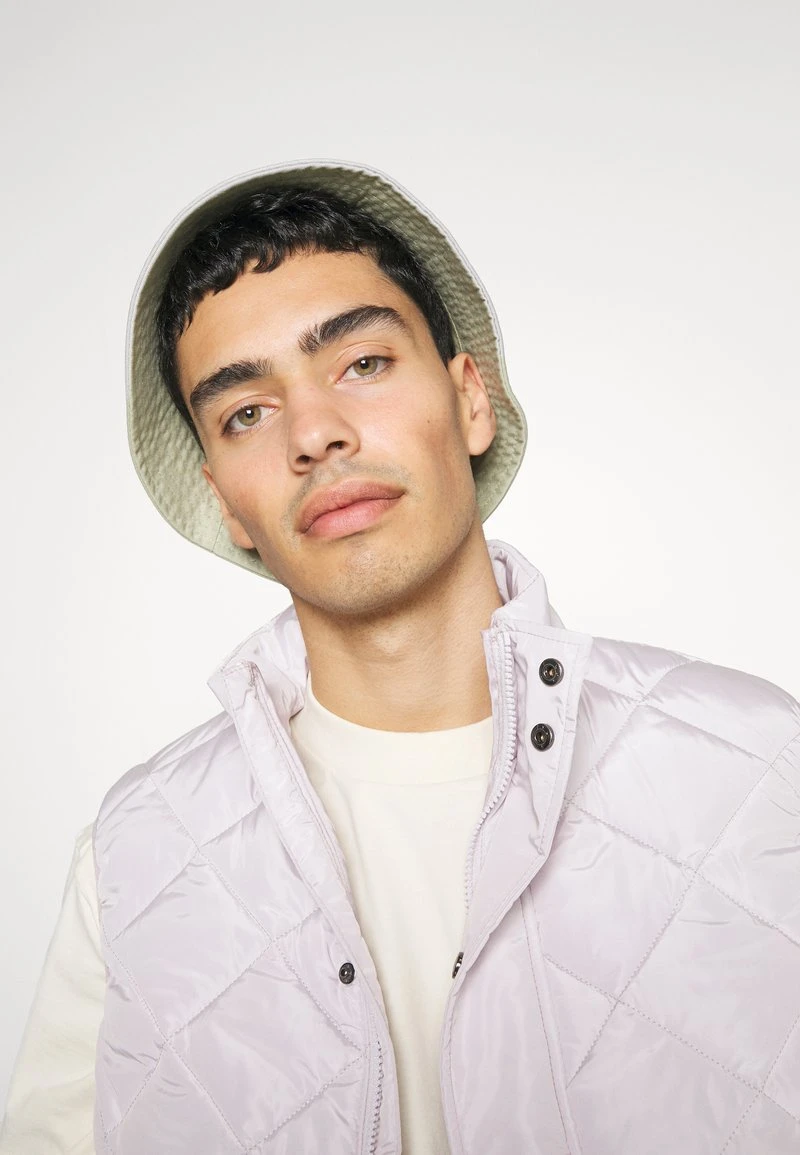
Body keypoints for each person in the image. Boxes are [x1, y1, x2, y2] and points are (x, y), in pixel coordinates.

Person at [1, 160, 799, 1155]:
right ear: (225, 502)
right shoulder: (137, 857)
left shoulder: (759, 770)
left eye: (362, 363)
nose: (315, 434)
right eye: (246, 411)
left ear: (470, 401)